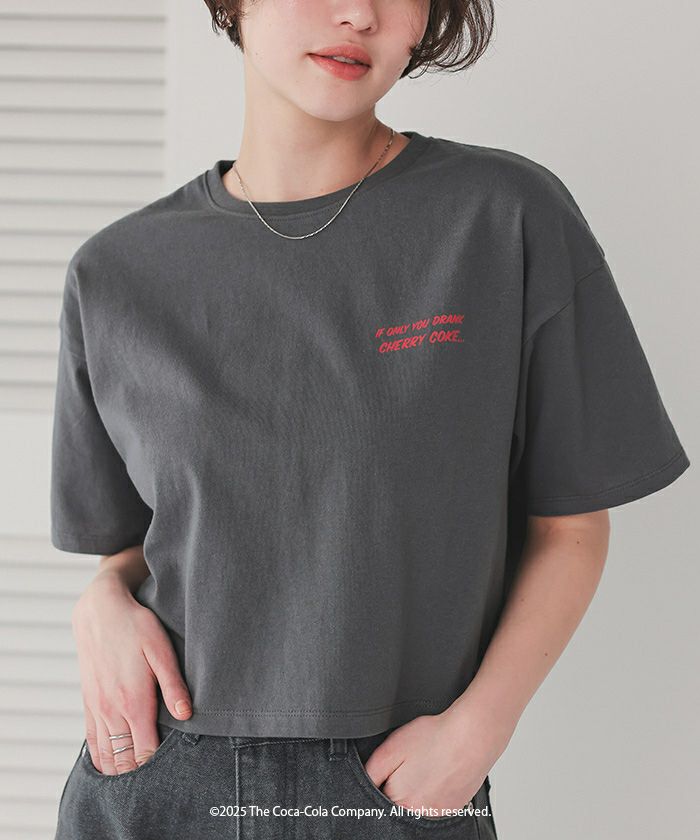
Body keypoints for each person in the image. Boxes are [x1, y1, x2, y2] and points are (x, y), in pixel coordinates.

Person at [49, 1, 690, 838]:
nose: (358, 13)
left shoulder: (501, 217)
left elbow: (570, 527)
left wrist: (480, 728)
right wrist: (100, 599)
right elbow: (142, 543)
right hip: (158, 779)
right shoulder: (116, 273)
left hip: (389, 786)